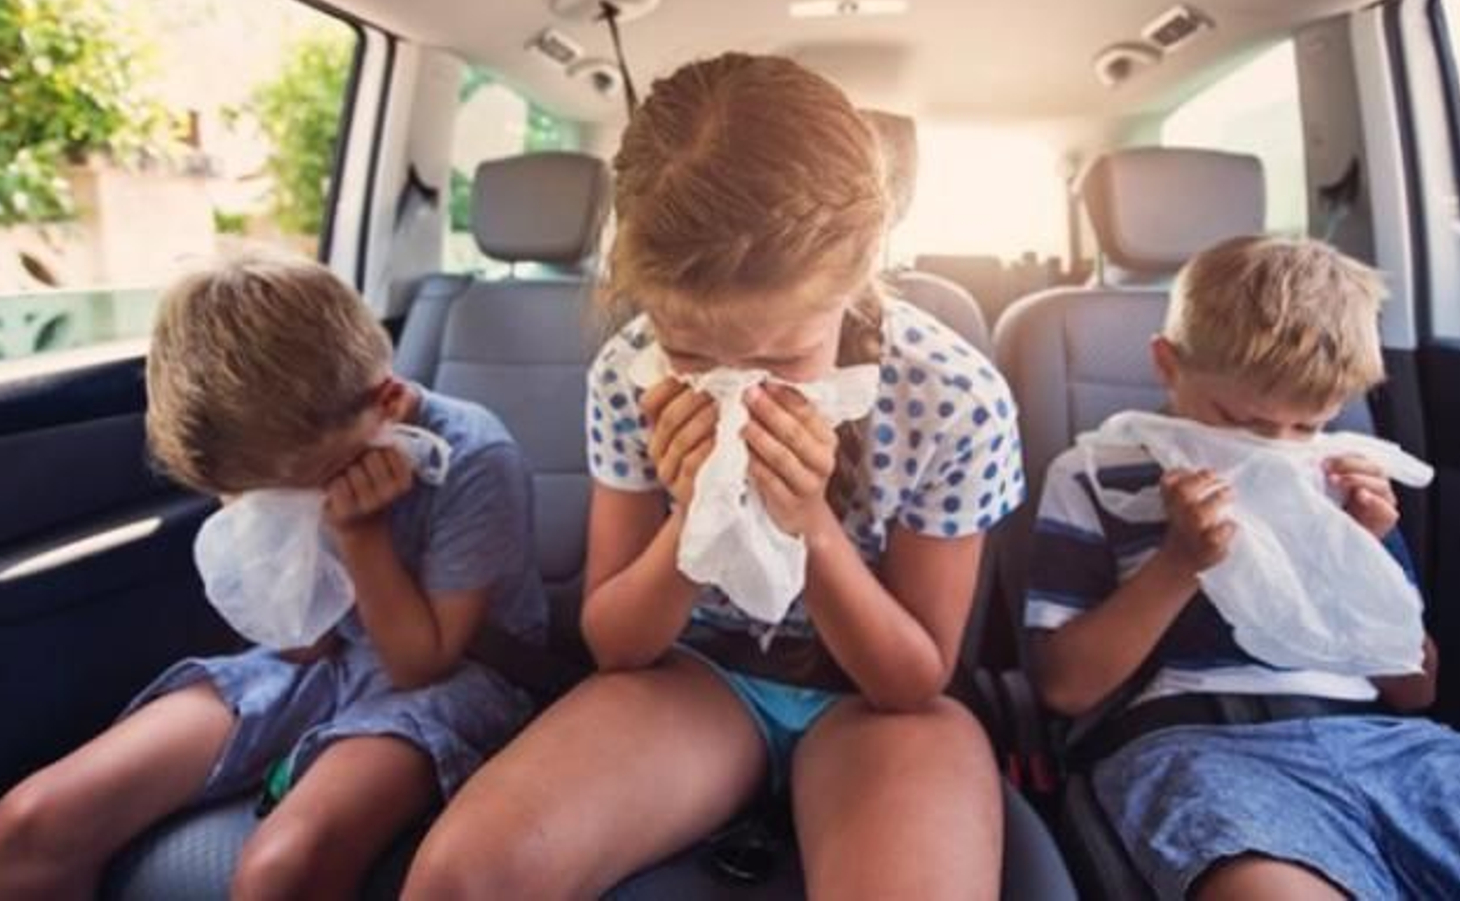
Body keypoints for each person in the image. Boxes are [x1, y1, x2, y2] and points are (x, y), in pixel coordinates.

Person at [405, 53, 1022, 900]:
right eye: (692, 353)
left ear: (863, 263)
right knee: (459, 880)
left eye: (783, 356)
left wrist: (808, 524)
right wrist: (691, 516)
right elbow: (616, 644)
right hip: (698, 677)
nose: (739, 387)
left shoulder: (955, 398)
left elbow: (913, 680)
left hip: (873, 704)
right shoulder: (630, 373)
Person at [0, 256, 545, 900]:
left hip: (456, 675)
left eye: (301, 487)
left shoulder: (473, 457)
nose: (280, 505)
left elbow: (422, 666)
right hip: (322, 660)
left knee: (282, 867)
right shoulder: (265, 460)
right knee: (31, 821)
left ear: (387, 403)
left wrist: (361, 535)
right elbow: (301, 643)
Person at [1025, 235, 1460, 900]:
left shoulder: (1339, 480)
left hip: (1385, 745)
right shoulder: (1096, 475)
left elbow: (1415, 691)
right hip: (1198, 747)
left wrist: (1363, 551)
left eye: (1306, 428)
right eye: (1240, 420)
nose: (1273, 449)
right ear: (1167, 364)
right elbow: (1065, 688)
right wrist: (1181, 562)